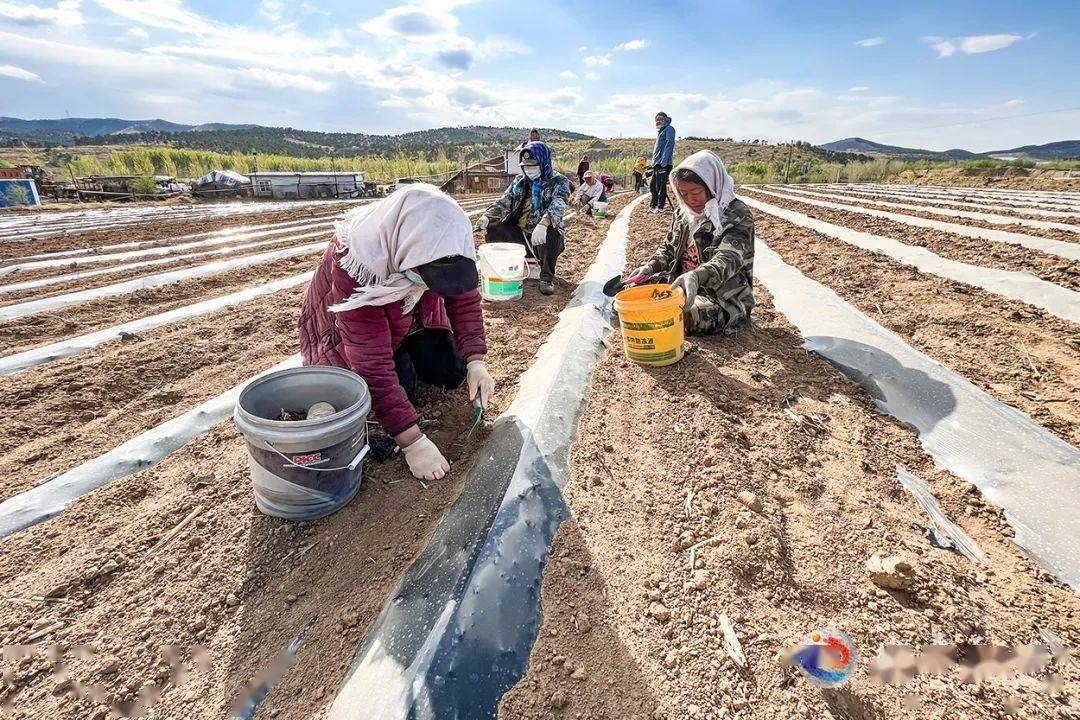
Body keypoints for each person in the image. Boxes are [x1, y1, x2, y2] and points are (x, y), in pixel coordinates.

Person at [298, 184, 495, 482]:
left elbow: (464, 298)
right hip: (345, 332)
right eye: (429, 276)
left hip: (408, 315)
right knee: (392, 388)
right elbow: (371, 363)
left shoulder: (448, 237)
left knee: (452, 371)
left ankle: (410, 353)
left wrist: (476, 361)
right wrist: (412, 442)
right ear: (406, 254)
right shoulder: (356, 263)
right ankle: (402, 364)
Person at [630, 150, 754, 334]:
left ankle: (731, 315)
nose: (690, 199)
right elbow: (669, 248)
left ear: (712, 185)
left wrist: (697, 276)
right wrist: (650, 267)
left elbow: (728, 258)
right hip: (681, 285)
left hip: (720, 297)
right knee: (634, 296)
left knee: (681, 316)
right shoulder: (683, 214)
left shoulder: (735, 214)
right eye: (683, 193)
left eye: (696, 192)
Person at [475, 142, 570, 296]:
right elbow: (504, 201)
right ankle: (509, 266)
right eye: (526, 166)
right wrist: (487, 216)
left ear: (543, 162)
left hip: (543, 236)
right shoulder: (520, 181)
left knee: (554, 232)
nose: (529, 169)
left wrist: (544, 223)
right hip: (520, 235)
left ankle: (546, 278)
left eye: (533, 165)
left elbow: (559, 204)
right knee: (494, 227)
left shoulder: (558, 181)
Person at [649, 112, 676, 214]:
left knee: (660, 186)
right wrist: (653, 163)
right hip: (657, 163)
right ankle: (653, 206)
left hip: (664, 163)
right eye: (656, 120)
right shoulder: (661, 131)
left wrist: (664, 160)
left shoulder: (669, 129)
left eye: (660, 119)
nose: (658, 121)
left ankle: (659, 207)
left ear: (665, 119)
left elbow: (670, 143)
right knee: (653, 186)